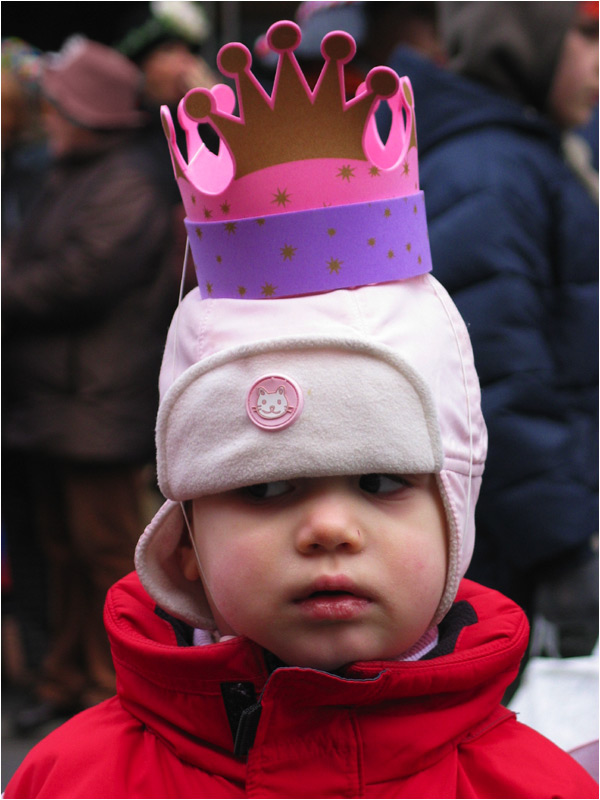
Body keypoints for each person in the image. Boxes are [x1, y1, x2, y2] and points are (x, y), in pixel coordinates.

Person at [4, 21, 597, 799]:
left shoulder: (533, 786)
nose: (329, 529)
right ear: (183, 544)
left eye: (382, 481)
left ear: (456, 517)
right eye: (265, 487)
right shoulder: (75, 779)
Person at [387, 1, 599, 661]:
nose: (598, 62)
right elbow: (498, 375)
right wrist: (562, 546)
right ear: (522, 42)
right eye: (586, 35)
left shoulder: (522, 152)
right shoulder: (491, 172)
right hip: (514, 541)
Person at [2, 36, 178, 732]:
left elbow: (76, 278)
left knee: (107, 552)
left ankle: (124, 688)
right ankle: (70, 681)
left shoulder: (128, 181)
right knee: (62, 552)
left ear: (85, 112)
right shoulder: (73, 174)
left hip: (98, 405)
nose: (46, 119)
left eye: (57, 107)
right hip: (58, 405)